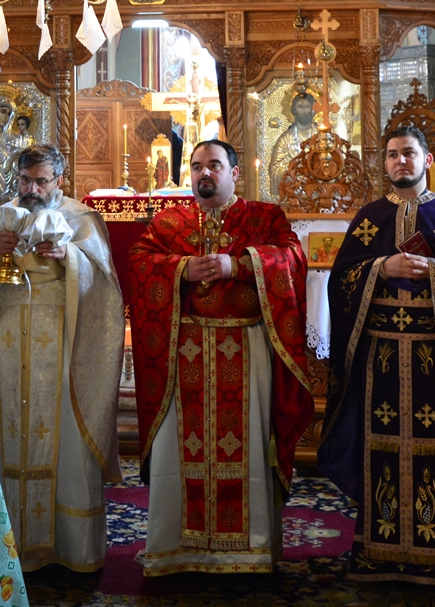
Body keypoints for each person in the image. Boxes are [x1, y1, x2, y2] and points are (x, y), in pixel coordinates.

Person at [318, 125, 435, 585]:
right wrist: (379, 268)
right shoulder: (369, 217)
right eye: (392, 155)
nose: (400, 162)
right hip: (380, 357)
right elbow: (340, 282)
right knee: (379, 447)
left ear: (427, 161)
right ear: (383, 164)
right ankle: (381, 549)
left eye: (408, 154)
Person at [122, 140, 312, 576]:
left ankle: (251, 551)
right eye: (196, 167)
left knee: (246, 452)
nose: (204, 174)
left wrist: (240, 265)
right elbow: (139, 260)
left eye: (214, 166)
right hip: (182, 353)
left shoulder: (264, 217)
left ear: (234, 173)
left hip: (245, 352)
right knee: (178, 453)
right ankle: (176, 550)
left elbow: (291, 257)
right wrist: (179, 270)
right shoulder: (169, 221)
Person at [0, 145, 124, 572]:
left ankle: (71, 549)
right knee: (3, 427)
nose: (32, 189)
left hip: (63, 343)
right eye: (25, 181)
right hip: (5, 344)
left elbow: (105, 284)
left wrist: (69, 257)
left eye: (41, 181)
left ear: (60, 181)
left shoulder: (82, 218)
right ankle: (4, 545)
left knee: (64, 435)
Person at [267, 91, 318, 197]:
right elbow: (275, 169)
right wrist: (295, 173)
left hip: (318, 191)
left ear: (313, 110)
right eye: (300, 107)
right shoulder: (285, 139)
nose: (303, 111)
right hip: (294, 193)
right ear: (294, 110)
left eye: (307, 107)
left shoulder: (320, 137)